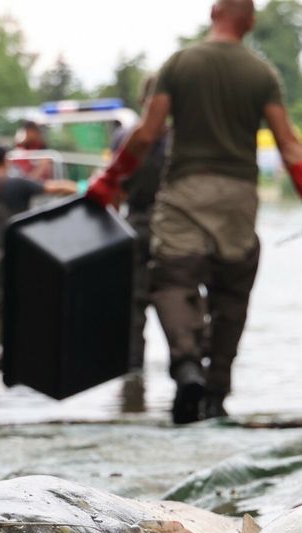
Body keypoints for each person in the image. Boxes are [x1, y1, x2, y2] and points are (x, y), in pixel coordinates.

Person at [86, 0, 302, 425]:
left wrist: (108, 181)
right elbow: (290, 146)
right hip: (238, 196)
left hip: (185, 192)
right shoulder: (261, 74)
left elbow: (147, 133)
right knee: (232, 293)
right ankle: (216, 393)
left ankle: (186, 368)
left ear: (214, 12)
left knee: (172, 280)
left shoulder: (179, 64)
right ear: (249, 22)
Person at [0, 145, 76, 326]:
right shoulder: (20, 184)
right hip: (20, 252)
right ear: (6, 160)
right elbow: (57, 187)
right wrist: (81, 187)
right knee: (23, 301)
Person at [113, 76, 169, 374]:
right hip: (173, 227)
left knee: (133, 304)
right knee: (177, 297)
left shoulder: (125, 138)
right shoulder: (178, 140)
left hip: (134, 223)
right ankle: (188, 366)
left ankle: (132, 372)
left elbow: (115, 187)